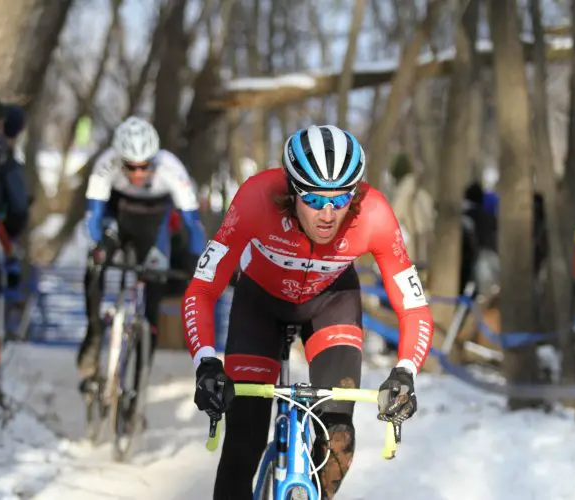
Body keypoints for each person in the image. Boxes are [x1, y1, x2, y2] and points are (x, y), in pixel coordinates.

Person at [183, 124, 435, 499]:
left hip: (331, 303)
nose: (329, 213)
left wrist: (405, 372)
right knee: (243, 444)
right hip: (260, 305)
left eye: (342, 198)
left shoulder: (374, 214)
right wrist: (206, 362)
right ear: (292, 191)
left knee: (338, 442)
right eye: (315, 200)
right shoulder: (257, 198)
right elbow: (202, 289)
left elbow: (414, 307)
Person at [78, 116, 206, 384]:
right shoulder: (106, 163)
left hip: (154, 226)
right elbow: (93, 217)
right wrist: (96, 246)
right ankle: (93, 334)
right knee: (96, 261)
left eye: (144, 167)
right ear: (119, 158)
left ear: (154, 159)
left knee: (154, 291)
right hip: (118, 219)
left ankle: (140, 379)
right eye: (130, 167)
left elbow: (193, 226)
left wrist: (198, 262)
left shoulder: (172, 169)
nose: (137, 174)